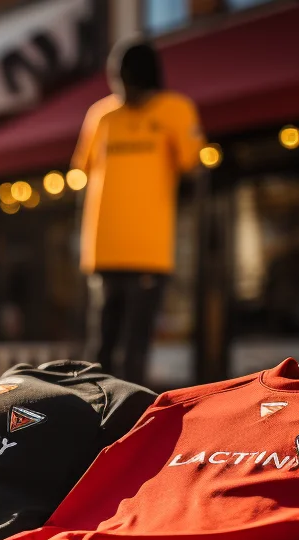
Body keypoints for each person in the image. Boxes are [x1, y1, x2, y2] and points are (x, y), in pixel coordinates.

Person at [72, 40, 203, 384]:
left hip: (149, 251)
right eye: (118, 80)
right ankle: (92, 416)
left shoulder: (175, 109)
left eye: (129, 80)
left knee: (135, 348)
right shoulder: (101, 115)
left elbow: (193, 166)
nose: (124, 89)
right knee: (100, 345)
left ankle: (128, 421)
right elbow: (82, 173)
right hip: (103, 250)